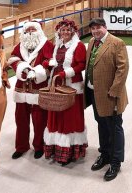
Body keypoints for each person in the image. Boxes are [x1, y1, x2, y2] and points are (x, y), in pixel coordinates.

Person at [84, 18, 129, 181]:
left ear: (105, 27)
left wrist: (114, 91)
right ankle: (105, 154)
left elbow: (122, 69)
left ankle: (115, 162)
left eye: (98, 28)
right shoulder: (91, 42)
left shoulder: (117, 43)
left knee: (115, 127)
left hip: (111, 95)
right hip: (94, 93)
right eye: (92, 29)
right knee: (102, 124)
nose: (95, 31)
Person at [43, 19, 88, 166]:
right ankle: (56, 149)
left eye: (68, 30)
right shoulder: (57, 46)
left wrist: (66, 73)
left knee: (70, 117)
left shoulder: (79, 46)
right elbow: (54, 62)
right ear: (59, 32)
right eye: (63, 30)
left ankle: (70, 152)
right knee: (56, 114)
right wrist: (48, 65)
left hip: (71, 86)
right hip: (56, 84)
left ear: (73, 31)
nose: (65, 32)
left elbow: (81, 64)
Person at [8, 21, 54, 159]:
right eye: (27, 30)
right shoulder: (20, 46)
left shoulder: (47, 45)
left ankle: (39, 146)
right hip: (21, 89)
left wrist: (38, 71)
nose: (30, 33)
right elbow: (13, 59)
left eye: (33, 30)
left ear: (39, 31)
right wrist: (22, 68)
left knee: (40, 120)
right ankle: (21, 146)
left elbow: (51, 61)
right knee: (20, 120)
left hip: (39, 88)